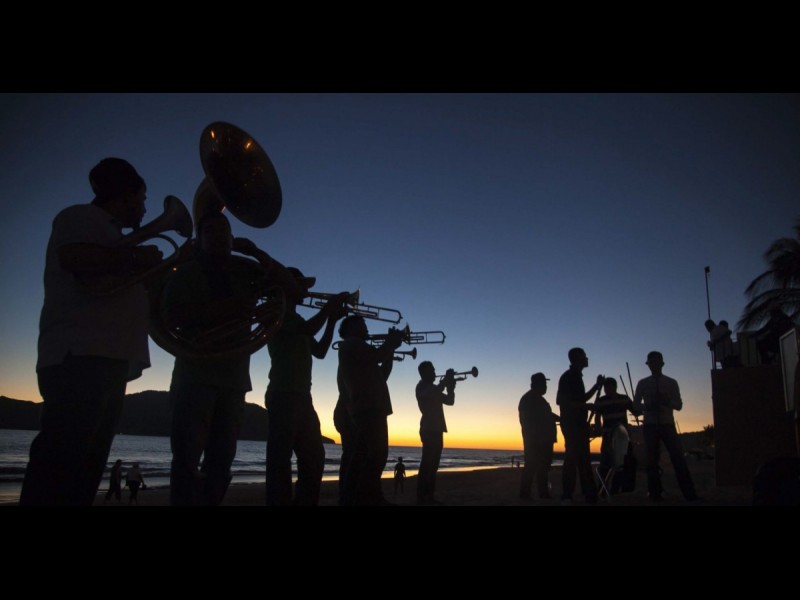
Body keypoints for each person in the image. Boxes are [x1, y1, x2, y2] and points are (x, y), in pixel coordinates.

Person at [20, 158, 163, 506]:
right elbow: (76, 259)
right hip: (81, 354)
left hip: (106, 359)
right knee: (63, 462)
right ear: (126, 195)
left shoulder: (113, 236)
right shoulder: (82, 217)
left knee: (86, 466)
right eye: (142, 198)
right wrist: (137, 259)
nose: (145, 209)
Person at [163, 211, 299, 506]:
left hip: (234, 380)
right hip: (194, 376)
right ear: (199, 239)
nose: (219, 235)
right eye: (210, 230)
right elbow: (171, 317)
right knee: (186, 460)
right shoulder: (186, 272)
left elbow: (292, 289)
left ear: (232, 237)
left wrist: (255, 252)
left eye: (224, 229)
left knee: (222, 461)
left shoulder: (244, 271)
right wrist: (228, 309)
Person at [264, 269, 348, 506]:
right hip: (283, 393)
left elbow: (320, 351)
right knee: (280, 461)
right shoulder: (276, 313)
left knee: (314, 457)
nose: (306, 291)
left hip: (302, 396)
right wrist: (328, 309)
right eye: (301, 285)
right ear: (286, 286)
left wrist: (332, 320)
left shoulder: (299, 320)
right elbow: (310, 330)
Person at [337, 315, 403, 506]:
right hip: (368, 406)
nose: (366, 328)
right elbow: (378, 356)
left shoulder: (359, 348)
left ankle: (354, 497)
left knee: (361, 456)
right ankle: (366, 496)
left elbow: (383, 373)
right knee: (378, 454)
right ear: (350, 328)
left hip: (371, 406)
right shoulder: (351, 344)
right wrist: (390, 343)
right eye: (361, 324)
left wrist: (390, 348)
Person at [633, 351, 698, 502]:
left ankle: (689, 494)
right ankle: (655, 494)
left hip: (667, 425)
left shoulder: (671, 382)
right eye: (651, 363)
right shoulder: (643, 383)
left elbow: (679, 405)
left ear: (661, 363)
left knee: (678, 459)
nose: (653, 365)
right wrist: (648, 405)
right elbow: (635, 405)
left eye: (655, 362)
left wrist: (667, 401)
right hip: (650, 425)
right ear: (648, 365)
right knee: (652, 461)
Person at [556, 347, 603, 504]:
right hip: (572, 425)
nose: (587, 358)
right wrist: (585, 406)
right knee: (573, 458)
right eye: (584, 356)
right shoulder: (569, 377)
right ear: (577, 359)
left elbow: (581, 398)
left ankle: (588, 493)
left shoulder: (576, 377)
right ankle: (568, 495)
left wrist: (596, 386)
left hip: (578, 424)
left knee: (583, 458)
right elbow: (561, 401)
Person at [415, 361, 456, 505]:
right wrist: (444, 382)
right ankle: (422, 497)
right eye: (432, 370)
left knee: (433, 466)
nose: (434, 373)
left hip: (437, 429)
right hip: (428, 429)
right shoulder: (421, 387)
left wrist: (451, 388)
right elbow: (432, 394)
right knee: (427, 464)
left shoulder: (434, 388)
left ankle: (429, 496)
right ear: (424, 373)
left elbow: (449, 401)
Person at [593, 378, 640, 494]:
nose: (606, 390)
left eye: (608, 387)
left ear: (614, 387)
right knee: (605, 463)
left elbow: (636, 411)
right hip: (608, 435)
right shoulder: (601, 400)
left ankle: (616, 488)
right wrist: (598, 427)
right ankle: (602, 488)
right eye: (605, 388)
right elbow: (597, 416)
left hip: (623, 436)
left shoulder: (624, 399)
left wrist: (637, 407)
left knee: (623, 462)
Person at [519, 372, 559, 500]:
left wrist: (560, 419)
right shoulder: (529, 399)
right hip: (537, 441)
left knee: (543, 467)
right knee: (532, 466)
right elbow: (532, 420)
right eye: (544, 384)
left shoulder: (538, 399)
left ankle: (542, 493)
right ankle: (526, 494)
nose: (546, 387)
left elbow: (548, 415)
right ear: (537, 384)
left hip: (543, 440)